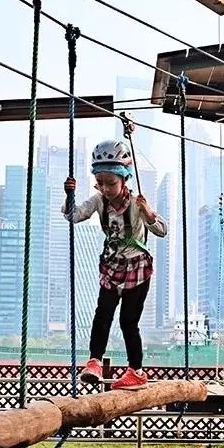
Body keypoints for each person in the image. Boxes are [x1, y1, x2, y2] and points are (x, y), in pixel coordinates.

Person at [62, 139, 168, 390]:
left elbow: (162, 230)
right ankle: (94, 362)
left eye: (111, 183)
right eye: (100, 183)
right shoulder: (99, 201)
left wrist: (148, 211)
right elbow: (73, 215)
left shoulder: (137, 202)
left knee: (128, 321)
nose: (105, 188)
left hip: (137, 268)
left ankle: (136, 371)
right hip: (112, 267)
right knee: (102, 315)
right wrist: (70, 195)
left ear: (124, 179)